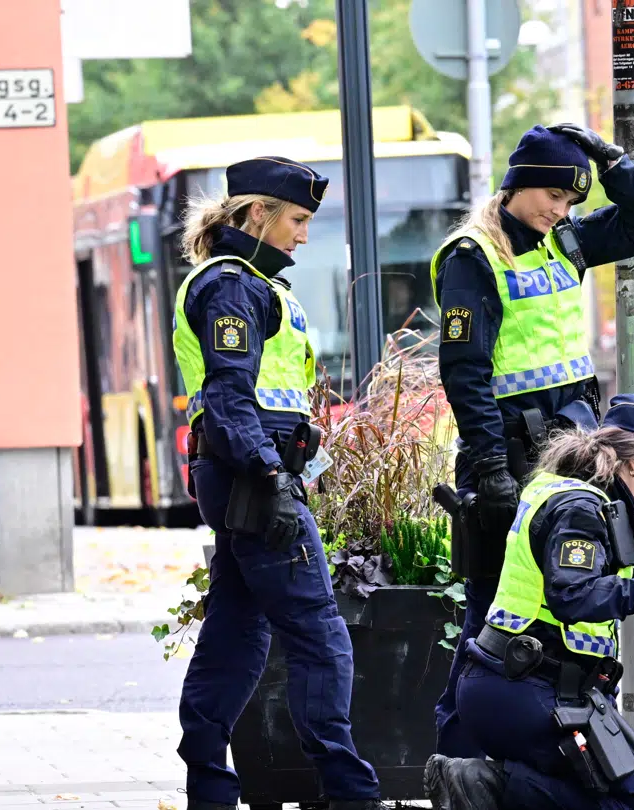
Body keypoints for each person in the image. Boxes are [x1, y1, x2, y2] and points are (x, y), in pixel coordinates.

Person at [430, 123, 634, 758]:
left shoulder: (563, 241)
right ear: (520, 184)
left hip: (572, 453)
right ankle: (455, 757)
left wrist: (612, 164)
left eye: (570, 202)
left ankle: (570, 752)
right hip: (509, 455)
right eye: (554, 197)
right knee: (490, 611)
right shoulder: (472, 256)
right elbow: (465, 370)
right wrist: (488, 468)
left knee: (574, 597)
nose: (561, 212)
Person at [171, 157, 383, 810]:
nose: (304, 234)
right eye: (297, 219)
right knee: (318, 632)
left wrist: (300, 456)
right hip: (252, 479)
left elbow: (264, 396)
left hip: (253, 475)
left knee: (238, 632)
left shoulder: (258, 284)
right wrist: (272, 477)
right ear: (257, 213)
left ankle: (208, 782)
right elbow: (230, 399)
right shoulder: (233, 286)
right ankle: (350, 792)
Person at [423, 394, 634, 810]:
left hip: (516, 685)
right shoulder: (580, 508)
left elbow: (628, 538)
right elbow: (574, 595)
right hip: (529, 691)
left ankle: (494, 787)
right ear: (633, 463)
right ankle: (489, 789)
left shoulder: (583, 498)